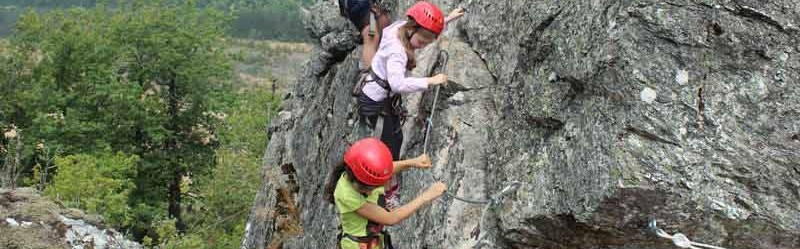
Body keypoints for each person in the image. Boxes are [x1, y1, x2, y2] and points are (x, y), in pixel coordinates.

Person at [355, 1, 463, 209]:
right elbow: (398, 84)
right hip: (377, 102)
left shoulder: (401, 27)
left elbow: (423, 27)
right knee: (387, 148)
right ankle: (386, 193)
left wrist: (447, 19)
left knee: (395, 139)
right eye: (422, 40)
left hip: (381, 97)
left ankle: (386, 184)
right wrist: (430, 81)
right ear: (412, 30)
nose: (424, 44)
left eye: (429, 40)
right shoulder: (397, 51)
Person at [325, 138, 446, 249]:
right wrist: (427, 196)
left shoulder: (357, 174)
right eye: (373, 188)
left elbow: (385, 170)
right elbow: (391, 218)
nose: (374, 191)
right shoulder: (348, 196)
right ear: (363, 186)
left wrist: (413, 162)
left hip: (371, 240)